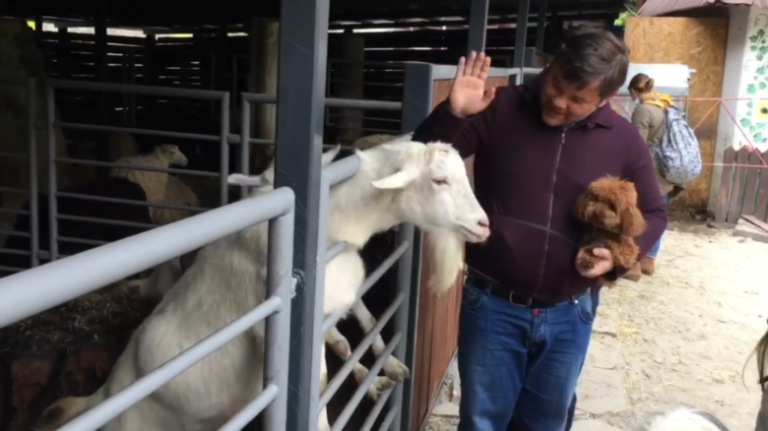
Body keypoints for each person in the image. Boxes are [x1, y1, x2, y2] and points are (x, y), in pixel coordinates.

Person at [412, 29, 667, 430]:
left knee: (544, 423)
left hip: (570, 312)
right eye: (556, 84)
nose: (559, 101)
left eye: (577, 99)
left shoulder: (623, 139)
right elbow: (423, 163)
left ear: (603, 101)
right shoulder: (501, 107)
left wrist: (615, 260)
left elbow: (655, 212)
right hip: (492, 303)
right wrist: (454, 113)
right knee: (482, 421)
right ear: (550, 66)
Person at [625, 73, 680, 280]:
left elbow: (638, 145)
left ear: (633, 91)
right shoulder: (666, 105)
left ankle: (633, 263)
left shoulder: (643, 109)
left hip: (649, 170)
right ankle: (649, 260)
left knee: (637, 214)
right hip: (666, 169)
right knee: (658, 213)